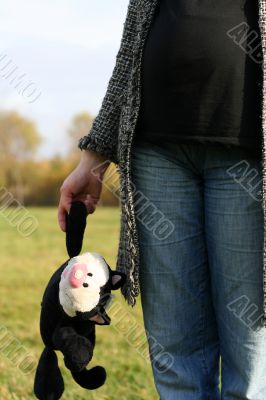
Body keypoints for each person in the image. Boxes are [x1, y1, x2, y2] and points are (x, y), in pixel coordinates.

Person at [58, 0, 266, 398]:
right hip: (157, 156)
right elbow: (128, 58)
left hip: (247, 158)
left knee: (251, 348)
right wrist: (93, 157)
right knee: (175, 347)